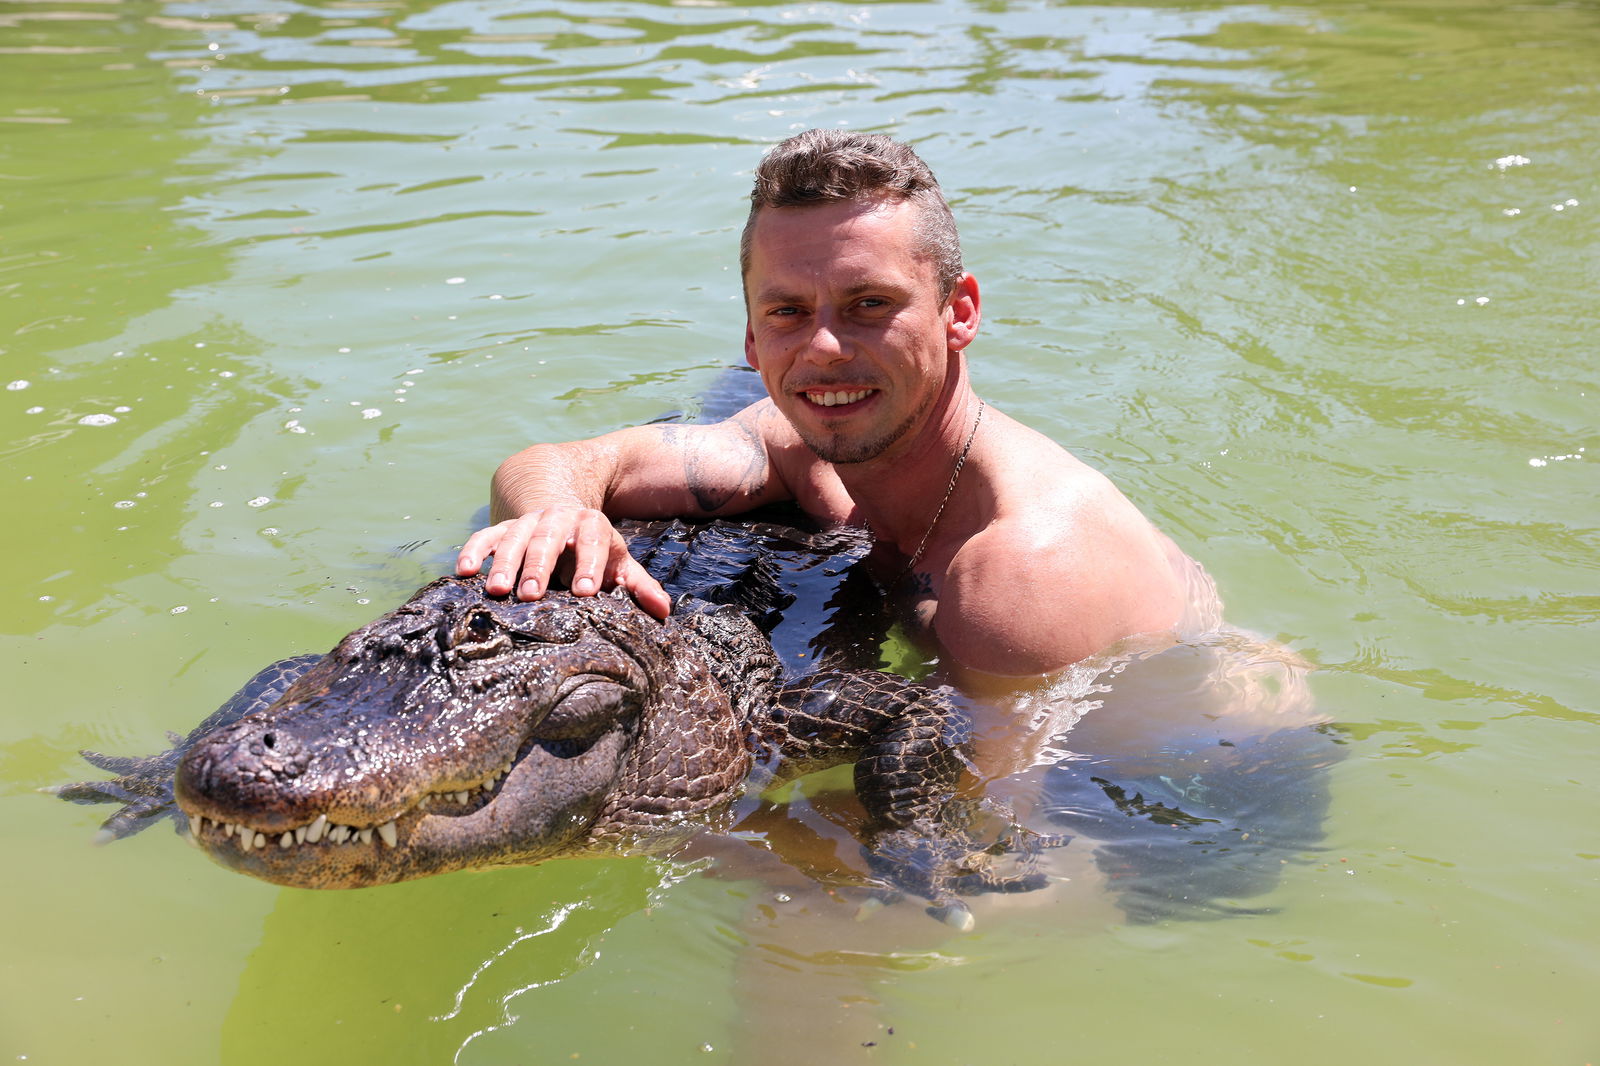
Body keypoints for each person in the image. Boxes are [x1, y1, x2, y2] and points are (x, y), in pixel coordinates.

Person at [455, 129, 1215, 691]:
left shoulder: (1017, 575)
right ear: (752, 338)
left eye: (869, 304)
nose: (822, 347)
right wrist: (560, 514)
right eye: (787, 312)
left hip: (1197, 796)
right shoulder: (798, 447)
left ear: (960, 312)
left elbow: (988, 850)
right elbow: (553, 462)